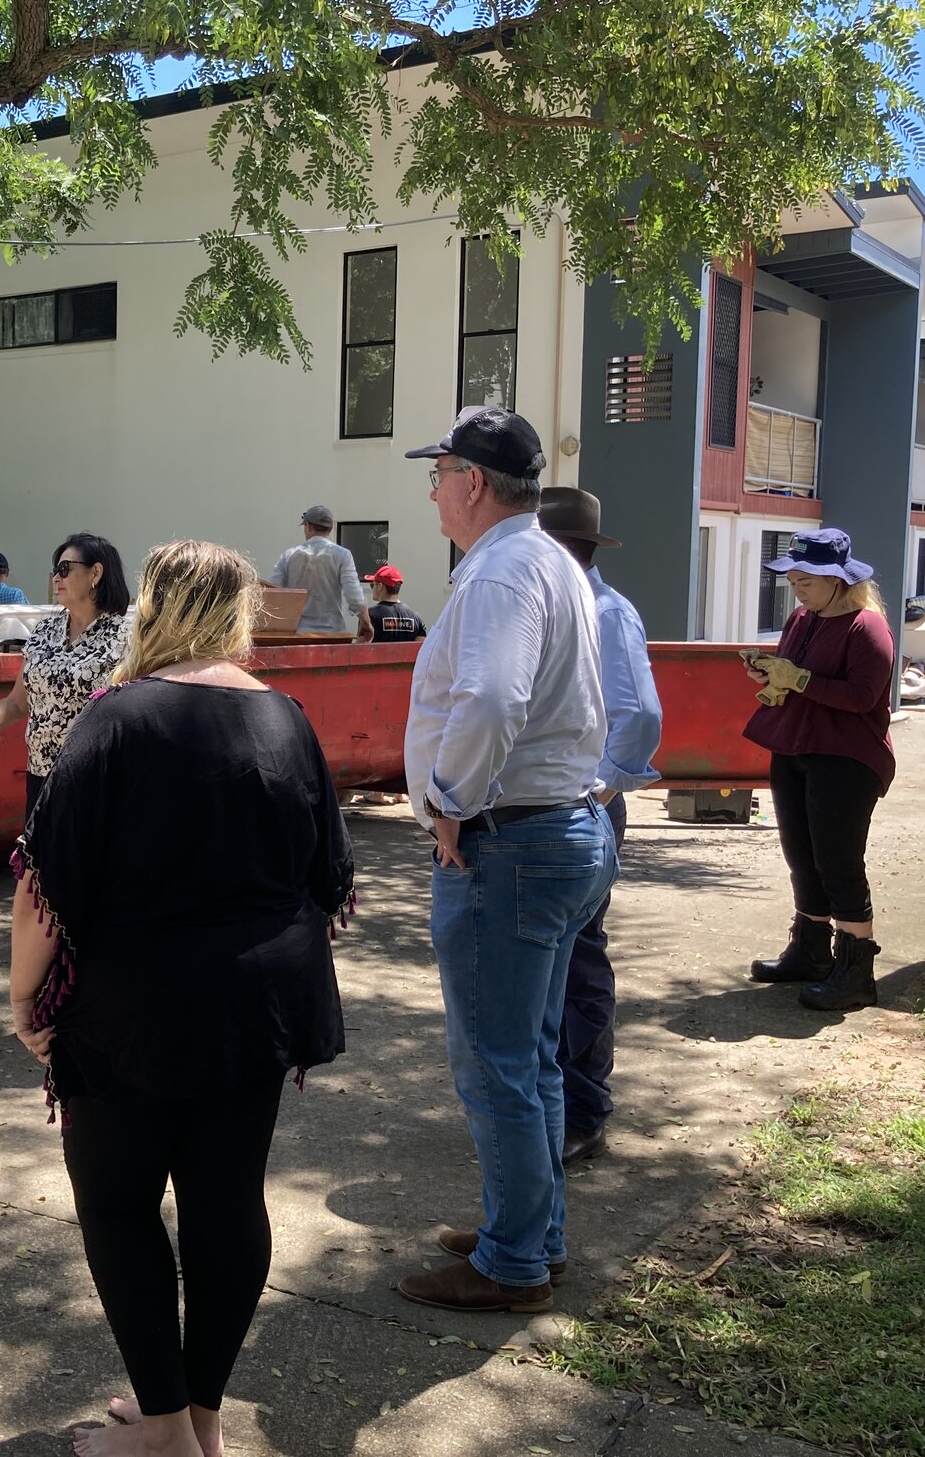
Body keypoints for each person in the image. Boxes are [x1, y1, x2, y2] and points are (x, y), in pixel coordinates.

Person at [9, 539, 351, 1457]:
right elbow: (328, 876)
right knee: (226, 1200)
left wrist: (24, 999)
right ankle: (198, 1415)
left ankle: (164, 1429)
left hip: (136, 1006)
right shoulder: (286, 716)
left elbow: (46, 881)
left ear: (154, 608)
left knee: (119, 1205)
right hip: (258, 1002)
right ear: (237, 615)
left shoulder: (116, 718)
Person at [393, 407, 616, 1315]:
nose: (436, 491)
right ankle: (529, 1231)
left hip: (511, 841)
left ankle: (513, 1260)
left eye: (439, 473)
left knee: (497, 1065)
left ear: (473, 481)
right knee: (530, 1056)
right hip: (560, 830)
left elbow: (488, 697)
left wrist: (450, 803)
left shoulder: (498, 572)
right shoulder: (549, 559)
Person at [538, 488, 663, 1166]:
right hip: (555, 806)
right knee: (554, 963)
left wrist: (607, 779)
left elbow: (639, 714)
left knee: (578, 963)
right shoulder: (565, 607)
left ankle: (584, 1108)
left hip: (580, 808)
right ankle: (560, 1101)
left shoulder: (603, 613)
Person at [742, 529, 896, 1012]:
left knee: (838, 860)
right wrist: (772, 674)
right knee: (801, 856)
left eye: (807, 578)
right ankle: (810, 952)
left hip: (847, 758)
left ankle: (855, 974)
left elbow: (863, 698)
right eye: (793, 577)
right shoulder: (802, 618)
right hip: (795, 747)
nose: (797, 585)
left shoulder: (868, 627)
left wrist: (800, 679)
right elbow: (795, 675)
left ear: (839, 580)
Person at [0, 533, 132, 820]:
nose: (56, 579)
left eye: (65, 569)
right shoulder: (44, 631)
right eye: (54, 571)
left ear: (95, 572)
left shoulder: (126, 639)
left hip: (96, 779)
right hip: (41, 775)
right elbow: (16, 703)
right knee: (38, 862)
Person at [269, 504, 375, 640]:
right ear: (330, 529)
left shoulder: (288, 555)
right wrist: (366, 623)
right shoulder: (343, 555)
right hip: (333, 635)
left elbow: (274, 594)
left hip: (297, 635)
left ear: (307, 526)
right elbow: (354, 596)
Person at [363, 563, 427, 642]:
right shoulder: (416, 617)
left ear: (380, 587)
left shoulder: (369, 615)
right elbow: (421, 648)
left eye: (372, 585)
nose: (372, 589)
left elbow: (361, 648)